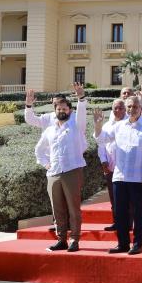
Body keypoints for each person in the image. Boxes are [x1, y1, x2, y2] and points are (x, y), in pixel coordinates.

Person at [93, 95, 142, 255]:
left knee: (138, 212)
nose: (131, 110)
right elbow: (101, 139)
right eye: (129, 107)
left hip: (139, 178)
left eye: (135, 107)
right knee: (120, 212)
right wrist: (98, 125)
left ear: (141, 108)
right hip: (119, 177)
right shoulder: (118, 126)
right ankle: (122, 243)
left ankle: (137, 244)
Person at [33, 83, 88, 252]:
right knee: (57, 210)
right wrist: (46, 164)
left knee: (73, 208)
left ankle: (75, 240)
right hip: (54, 173)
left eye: (64, 108)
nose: (61, 111)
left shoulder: (76, 126)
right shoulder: (49, 130)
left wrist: (81, 98)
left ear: (70, 110)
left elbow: (82, 114)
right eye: (58, 108)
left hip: (72, 170)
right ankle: (61, 239)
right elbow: (39, 150)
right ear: (54, 110)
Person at [97, 98, 126, 231]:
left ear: (125, 109)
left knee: (127, 199)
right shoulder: (107, 125)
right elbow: (101, 144)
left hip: (127, 169)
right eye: (115, 108)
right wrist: (103, 161)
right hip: (110, 168)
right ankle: (117, 222)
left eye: (121, 108)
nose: (118, 110)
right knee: (113, 197)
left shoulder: (130, 123)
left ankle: (128, 223)